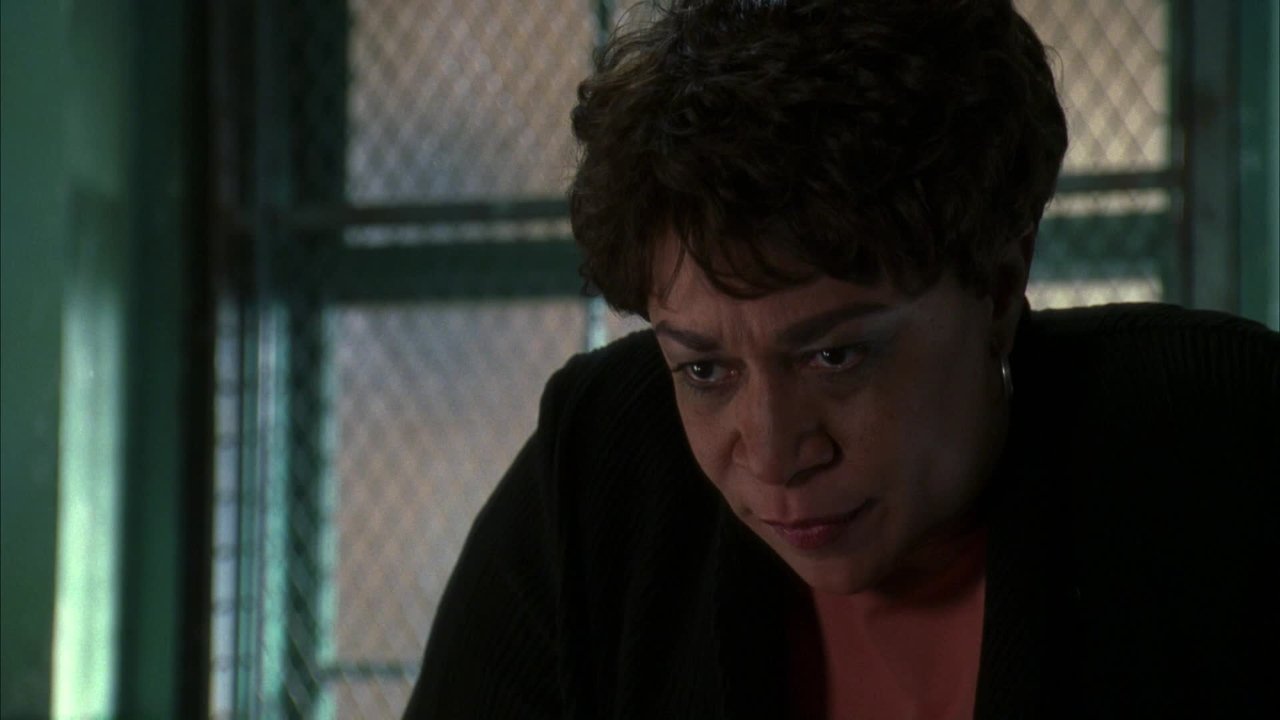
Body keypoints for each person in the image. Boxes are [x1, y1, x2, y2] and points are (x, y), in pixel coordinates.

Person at [404, 0, 1279, 717]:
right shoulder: (603, 465)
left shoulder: (1223, 443)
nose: (774, 451)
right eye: (704, 370)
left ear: (999, 281)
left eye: (835, 356)